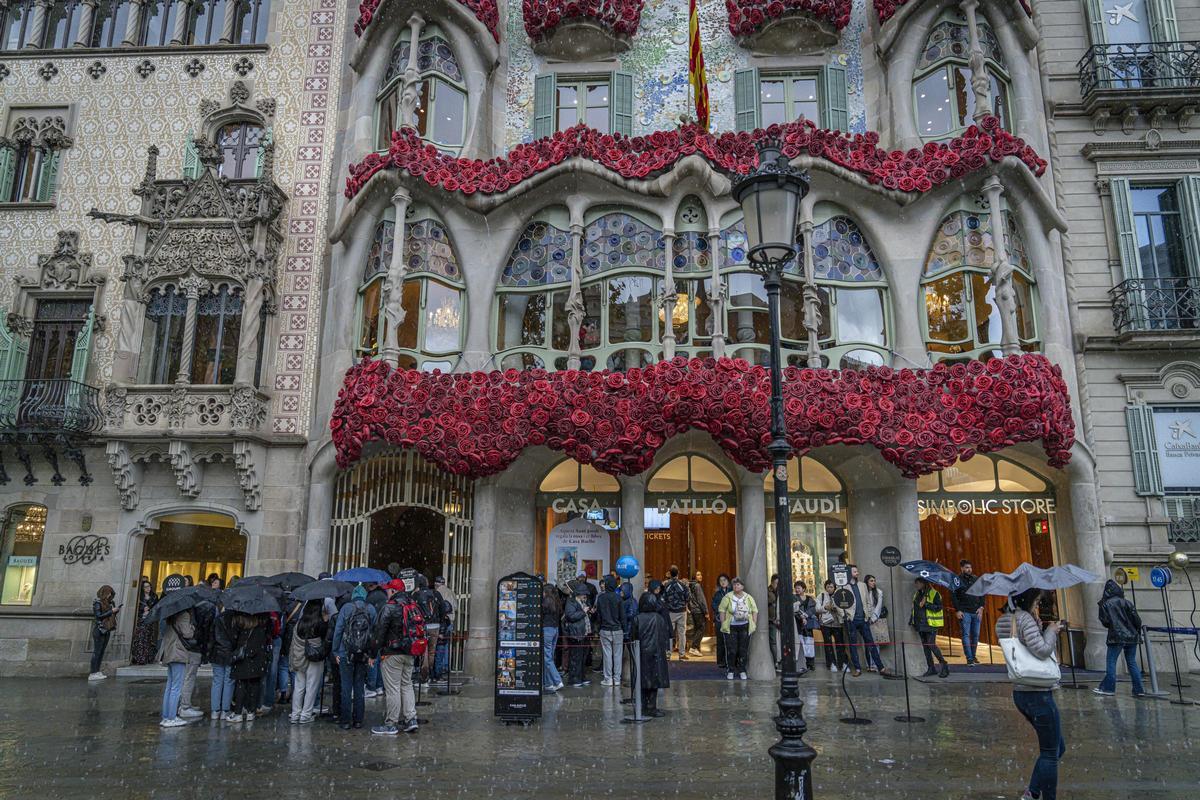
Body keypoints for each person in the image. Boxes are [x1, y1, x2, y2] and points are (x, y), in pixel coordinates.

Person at [998, 588, 1065, 800]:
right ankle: (1043, 796)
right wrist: (1051, 630)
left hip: (1021, 691)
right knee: (1051, 753)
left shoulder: (1006, 619)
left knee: (1056, 747)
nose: (1038, 605)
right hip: (1038, 693)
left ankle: (1033, 792)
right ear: (1027, 600)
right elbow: (1042, 650)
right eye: (1036, 600)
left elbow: (1018, 645)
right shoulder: (1024, 618)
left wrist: (1037, 625)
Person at [373, 579, 423, 735]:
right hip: (410, 652)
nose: (387, 592)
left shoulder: (390, 607)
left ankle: (391, 723)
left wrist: (374, 652)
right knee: (406, 685)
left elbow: (380, 632)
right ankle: (411, 718)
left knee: (393, 688)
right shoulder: (413, 605)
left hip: (392, 653)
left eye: (388, 590)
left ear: (393, 591)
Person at [333, 583, 378, 730]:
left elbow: (338, 630)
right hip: (363, 653)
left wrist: (335, 651)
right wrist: (372, 654)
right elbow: (375, 634)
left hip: (346, 652)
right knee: (359, 687)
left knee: (346, 687)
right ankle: (358, 720)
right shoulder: (370, 609)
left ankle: (345, 720)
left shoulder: (346, 608)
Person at [1095, 579, 1145, 697]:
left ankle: (1109, 688)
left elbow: (1105, 622)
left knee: (1111, 663)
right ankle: (1139, 690)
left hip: (1116, 637)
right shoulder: (1127, 602)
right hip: (1132, 636)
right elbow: (1137, 620)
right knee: (1132, 662)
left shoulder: (1105, 604)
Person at [156, 575, 193, 728]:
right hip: (178, 652)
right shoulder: (183, 614)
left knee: (170, 685)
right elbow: (188, 633)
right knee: (176, 686)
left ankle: (166, 716)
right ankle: (171, 717)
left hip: (169, 651)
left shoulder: (168, 615)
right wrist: (192, 627)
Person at [628, 592, 671, 717]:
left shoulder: (637, 618)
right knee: (654, 683)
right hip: (656, 654)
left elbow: (634, 636)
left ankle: (643, 706)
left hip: (641, 653)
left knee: (642, 681)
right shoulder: (659, 618)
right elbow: (664, 636)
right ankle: (652, 707)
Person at [289, 600, 329, 723]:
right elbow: (325, 639)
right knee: (311, 686)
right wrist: (326, 620)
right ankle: (306, 714)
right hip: (314, 658)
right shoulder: (320, 623)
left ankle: (295, 713)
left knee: (299, 686)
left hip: (300, 657)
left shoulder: (299, 623)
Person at [845, 565, 889, 676]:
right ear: (849, 573)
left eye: (857, 571)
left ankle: (881, 668)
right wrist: (846, 616)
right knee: (853, 645)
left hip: (863, 620)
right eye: (855, 571)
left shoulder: (862, 585)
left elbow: (868, 602)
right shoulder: (844, 587)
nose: (857, 573)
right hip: (852, 620)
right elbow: (840, 604)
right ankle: (857, 669)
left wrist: (868, 615)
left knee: (871, 644)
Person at [229, 612, 271, 723]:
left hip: (242, 661)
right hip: (256, 662)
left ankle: (238, 712)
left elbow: (234, 643)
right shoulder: (260, 629)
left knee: (241, 686)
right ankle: (251, 711)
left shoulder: (240, 628)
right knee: (254, 686)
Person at [718, 577, 757, 680]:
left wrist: (753, 623)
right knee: (732, 649)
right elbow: (722, 610)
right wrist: (723, 623)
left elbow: (754, 610)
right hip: (731, 627)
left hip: (745, 626)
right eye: (734, 585)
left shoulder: (748, 598)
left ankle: (742, 670)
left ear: (743, 586)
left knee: (743, 649)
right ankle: (730, 670)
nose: (736, 586)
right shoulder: (728, 597)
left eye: (738, 584)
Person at [910, 577, 949, 678]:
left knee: (931, 644)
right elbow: (915, 608)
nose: (917, 585)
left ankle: (944, 665)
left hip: (930, 624)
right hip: (920, 624)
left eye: (918, 583)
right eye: (916, 583)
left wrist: (926, 604)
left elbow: (939, 607)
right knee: (926, 647)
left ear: (924, 583)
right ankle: (931, 668)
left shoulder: (934, 593)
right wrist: (912, 620)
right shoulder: (917, 594)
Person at [952, 559, 985, 664]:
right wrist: (957, 610)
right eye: (966, 567)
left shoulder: (976, 579)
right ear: (961, 568)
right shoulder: (956, 580)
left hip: (976, 611)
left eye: (970, 567)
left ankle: (973, 656)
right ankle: (969, 658)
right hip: (964, 611)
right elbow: (953, 596)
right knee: (966, 635)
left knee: (975, 635)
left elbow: (982, 593)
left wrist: (981, 607)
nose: (969, 569)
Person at [208, 604, 236, 721]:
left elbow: (211, 637)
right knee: (228, 681)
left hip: (217, 653)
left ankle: (215, 711)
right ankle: (225, 710)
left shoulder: (217, 619)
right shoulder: (235, 620)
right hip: (229, 653)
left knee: (217, 681)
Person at [596, 575, 624, 687]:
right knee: (618, 655)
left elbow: (599, 616)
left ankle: (608, 679)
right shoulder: (618, 598)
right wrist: (624, 629)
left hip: (605, 629)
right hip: (617, 629)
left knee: (607, 655)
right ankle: (617, 679)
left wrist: (598, 628)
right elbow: (622, 616)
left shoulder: (601, 598)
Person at [413, 574, 441, 684]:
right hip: (435, 625)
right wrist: (441, 620)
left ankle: (424, 675)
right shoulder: (435, 593)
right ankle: (429, 673)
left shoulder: (416, 595)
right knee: (431, 651)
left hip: (422, 625)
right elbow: (443, 607)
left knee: (423, 651)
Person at [816, 579, 849, 672]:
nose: (830, 589)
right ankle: (831, 664)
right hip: (825, 623)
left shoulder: (838, 595)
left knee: (840, 644)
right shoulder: (821, 596)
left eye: (831, 587)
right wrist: (825, 607)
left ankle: (843, 663)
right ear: (825, 587)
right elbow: (817, 608)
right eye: (828, 587)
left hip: (837, 623)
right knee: (828, 644)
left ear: (834, 587)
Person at [88, 585, 119, 680]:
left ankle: (97, 671)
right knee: (97, 651)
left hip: (107, 629)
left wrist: (114, 611)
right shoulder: (97, 603)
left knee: (101, 651)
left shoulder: (109, 603)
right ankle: (92, 673)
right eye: (109, 593)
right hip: (100, 629)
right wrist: (111, 611)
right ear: (105, 593)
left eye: (111, 593)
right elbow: (98, 616)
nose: (110, 595)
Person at [562, 583, 591, 687]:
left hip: (584, 633)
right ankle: (574, 680)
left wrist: (590, 611)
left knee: (583, 657)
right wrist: (583, 612)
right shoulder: (571, 602)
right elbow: (570, 616)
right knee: (575, 658)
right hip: (576, 634)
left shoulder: (582, 601)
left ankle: (581, 678)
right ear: (578, 593)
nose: (586, 596)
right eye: (584, 594)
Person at [364, 581, 387, 697]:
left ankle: (371, 687)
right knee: (380, 660)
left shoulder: (371, 597)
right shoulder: (385, 595)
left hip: (374, 632)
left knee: (372, 659)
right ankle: (379, 686)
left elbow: (368, 615)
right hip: (384, 631)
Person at [661, 566, 689, 661]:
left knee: (669, 633)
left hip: (670, 612)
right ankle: (682, 655)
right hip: (682, 611)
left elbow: (663, 598)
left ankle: (668, 654)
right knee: (682, 633)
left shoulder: (666, 585)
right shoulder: (683, 584)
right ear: (678, 573)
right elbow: (688, 597)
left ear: (670, 573)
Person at [541, 582, 564, 693]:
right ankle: (548, 684)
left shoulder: (545, 602)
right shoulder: (556, 602)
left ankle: (557, 681)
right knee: (549, 657)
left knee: (547, 658)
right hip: (555, 630)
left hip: (547, 630)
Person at [433, 576, 457, 681]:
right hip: (450, 621)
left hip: (441, 622)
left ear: (436, 584)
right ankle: (446, 667)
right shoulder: (451, 592)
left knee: (438, 647)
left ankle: (439, 669)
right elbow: (455, 606)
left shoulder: (437, 593)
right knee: (446, 646)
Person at [864, 574, 890, 669]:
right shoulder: (864, 592)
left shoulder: (878, 592)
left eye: (874, 580)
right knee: (867, 643)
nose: (873, 582)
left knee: (876, 643)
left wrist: (873, 618)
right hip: (866, 620)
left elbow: (878, 607)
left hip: (875, 621)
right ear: (866, 582)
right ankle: (869, 664)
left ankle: (874, 664)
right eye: (871, 581)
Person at [130, 579, 158, 666]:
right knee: (141, 639)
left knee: (149, 639)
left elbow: (157, 607)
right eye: (145, 587)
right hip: (141, 620)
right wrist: (142, 609)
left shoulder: (154, 596)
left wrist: (150, 609)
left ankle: (148, 658)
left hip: (150, 620)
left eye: (149, 586)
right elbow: (133, 608)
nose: (148, 588)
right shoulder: (139, 597)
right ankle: (139, 658)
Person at [793, 580, 817, 672]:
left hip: (808, 625)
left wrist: (806, 616)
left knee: (809, 643)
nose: (797, 590)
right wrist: (801, 617)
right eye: (796, 588)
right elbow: (794, 609)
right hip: (798, 624)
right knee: (800, 643)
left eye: (799, 588)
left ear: (803, 589)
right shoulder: (794, 598)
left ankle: (810, 663)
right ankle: (802, 663)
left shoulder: (810, 599)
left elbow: (813, 609)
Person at [711, 574, 732, 670]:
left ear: (728, 581)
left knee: (730, 641)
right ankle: (721, 661)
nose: (723, 582)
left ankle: (731, 661)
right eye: (721, 581)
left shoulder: (732, 592)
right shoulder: (717, 593)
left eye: (724, 580)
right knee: (720, 641)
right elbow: (714, 605)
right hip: (720, 619)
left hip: (731, 619)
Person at [686, 571, 708, 656]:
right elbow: (701, 600)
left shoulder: (690, 586)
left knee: (697, 629)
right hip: (698, 610)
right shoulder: (697, 586)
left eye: (701, 574)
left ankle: (696, 648)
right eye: (698, 574)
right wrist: (706, 611)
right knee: (701, 628)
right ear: (694, 576)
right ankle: (694, 647)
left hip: (693, 610)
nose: (700, 576)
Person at [767, 574, 780, 671]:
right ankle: (776, 661)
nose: (778, 585)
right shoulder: (767, 591)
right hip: (771, 620)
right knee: (773, 642)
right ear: (772, 582)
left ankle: (780, 660)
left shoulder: (781, 591)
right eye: (776, 583)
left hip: (781, 620)